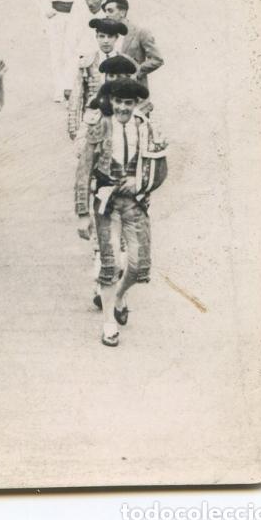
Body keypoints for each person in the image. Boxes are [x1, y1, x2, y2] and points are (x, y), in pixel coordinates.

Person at [75, 80, 167, 347]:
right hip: (106, 203)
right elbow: (83, 171)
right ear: (111, 102)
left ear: (135, 103)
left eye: (128, 103)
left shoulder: (146, 128)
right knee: (110, 263)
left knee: (138, 266)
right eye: (119, 102)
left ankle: (117, 297)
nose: (123, 108)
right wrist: (82, 212)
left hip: (135, 203)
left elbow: (161, 166)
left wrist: (139, 183)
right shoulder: (99, 127)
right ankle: (108, 323)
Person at [68, 17, 128, 141]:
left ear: (116, 38)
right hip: (92, 120)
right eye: (101, 36)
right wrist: (73, 126)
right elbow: (77, 95)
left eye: (110, 37)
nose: (105, 41)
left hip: (117, 120)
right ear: (96, 37)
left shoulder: (125, 62)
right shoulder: (87, 62)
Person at [45, 0, 87, 101]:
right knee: (56, 53)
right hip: (56, 16)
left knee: (71, 52)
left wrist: (79, 16)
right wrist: (47, 10)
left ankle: (69, 86)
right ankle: (58, 89)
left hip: (73, 17)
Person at [103, 0, 164, 90]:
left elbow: (157, 59)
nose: (106, 15)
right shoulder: (106, 36)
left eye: (110, 11)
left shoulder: (140, 32)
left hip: (134, 90)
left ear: (122, 12)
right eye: (105, 11)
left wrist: (137, 72)